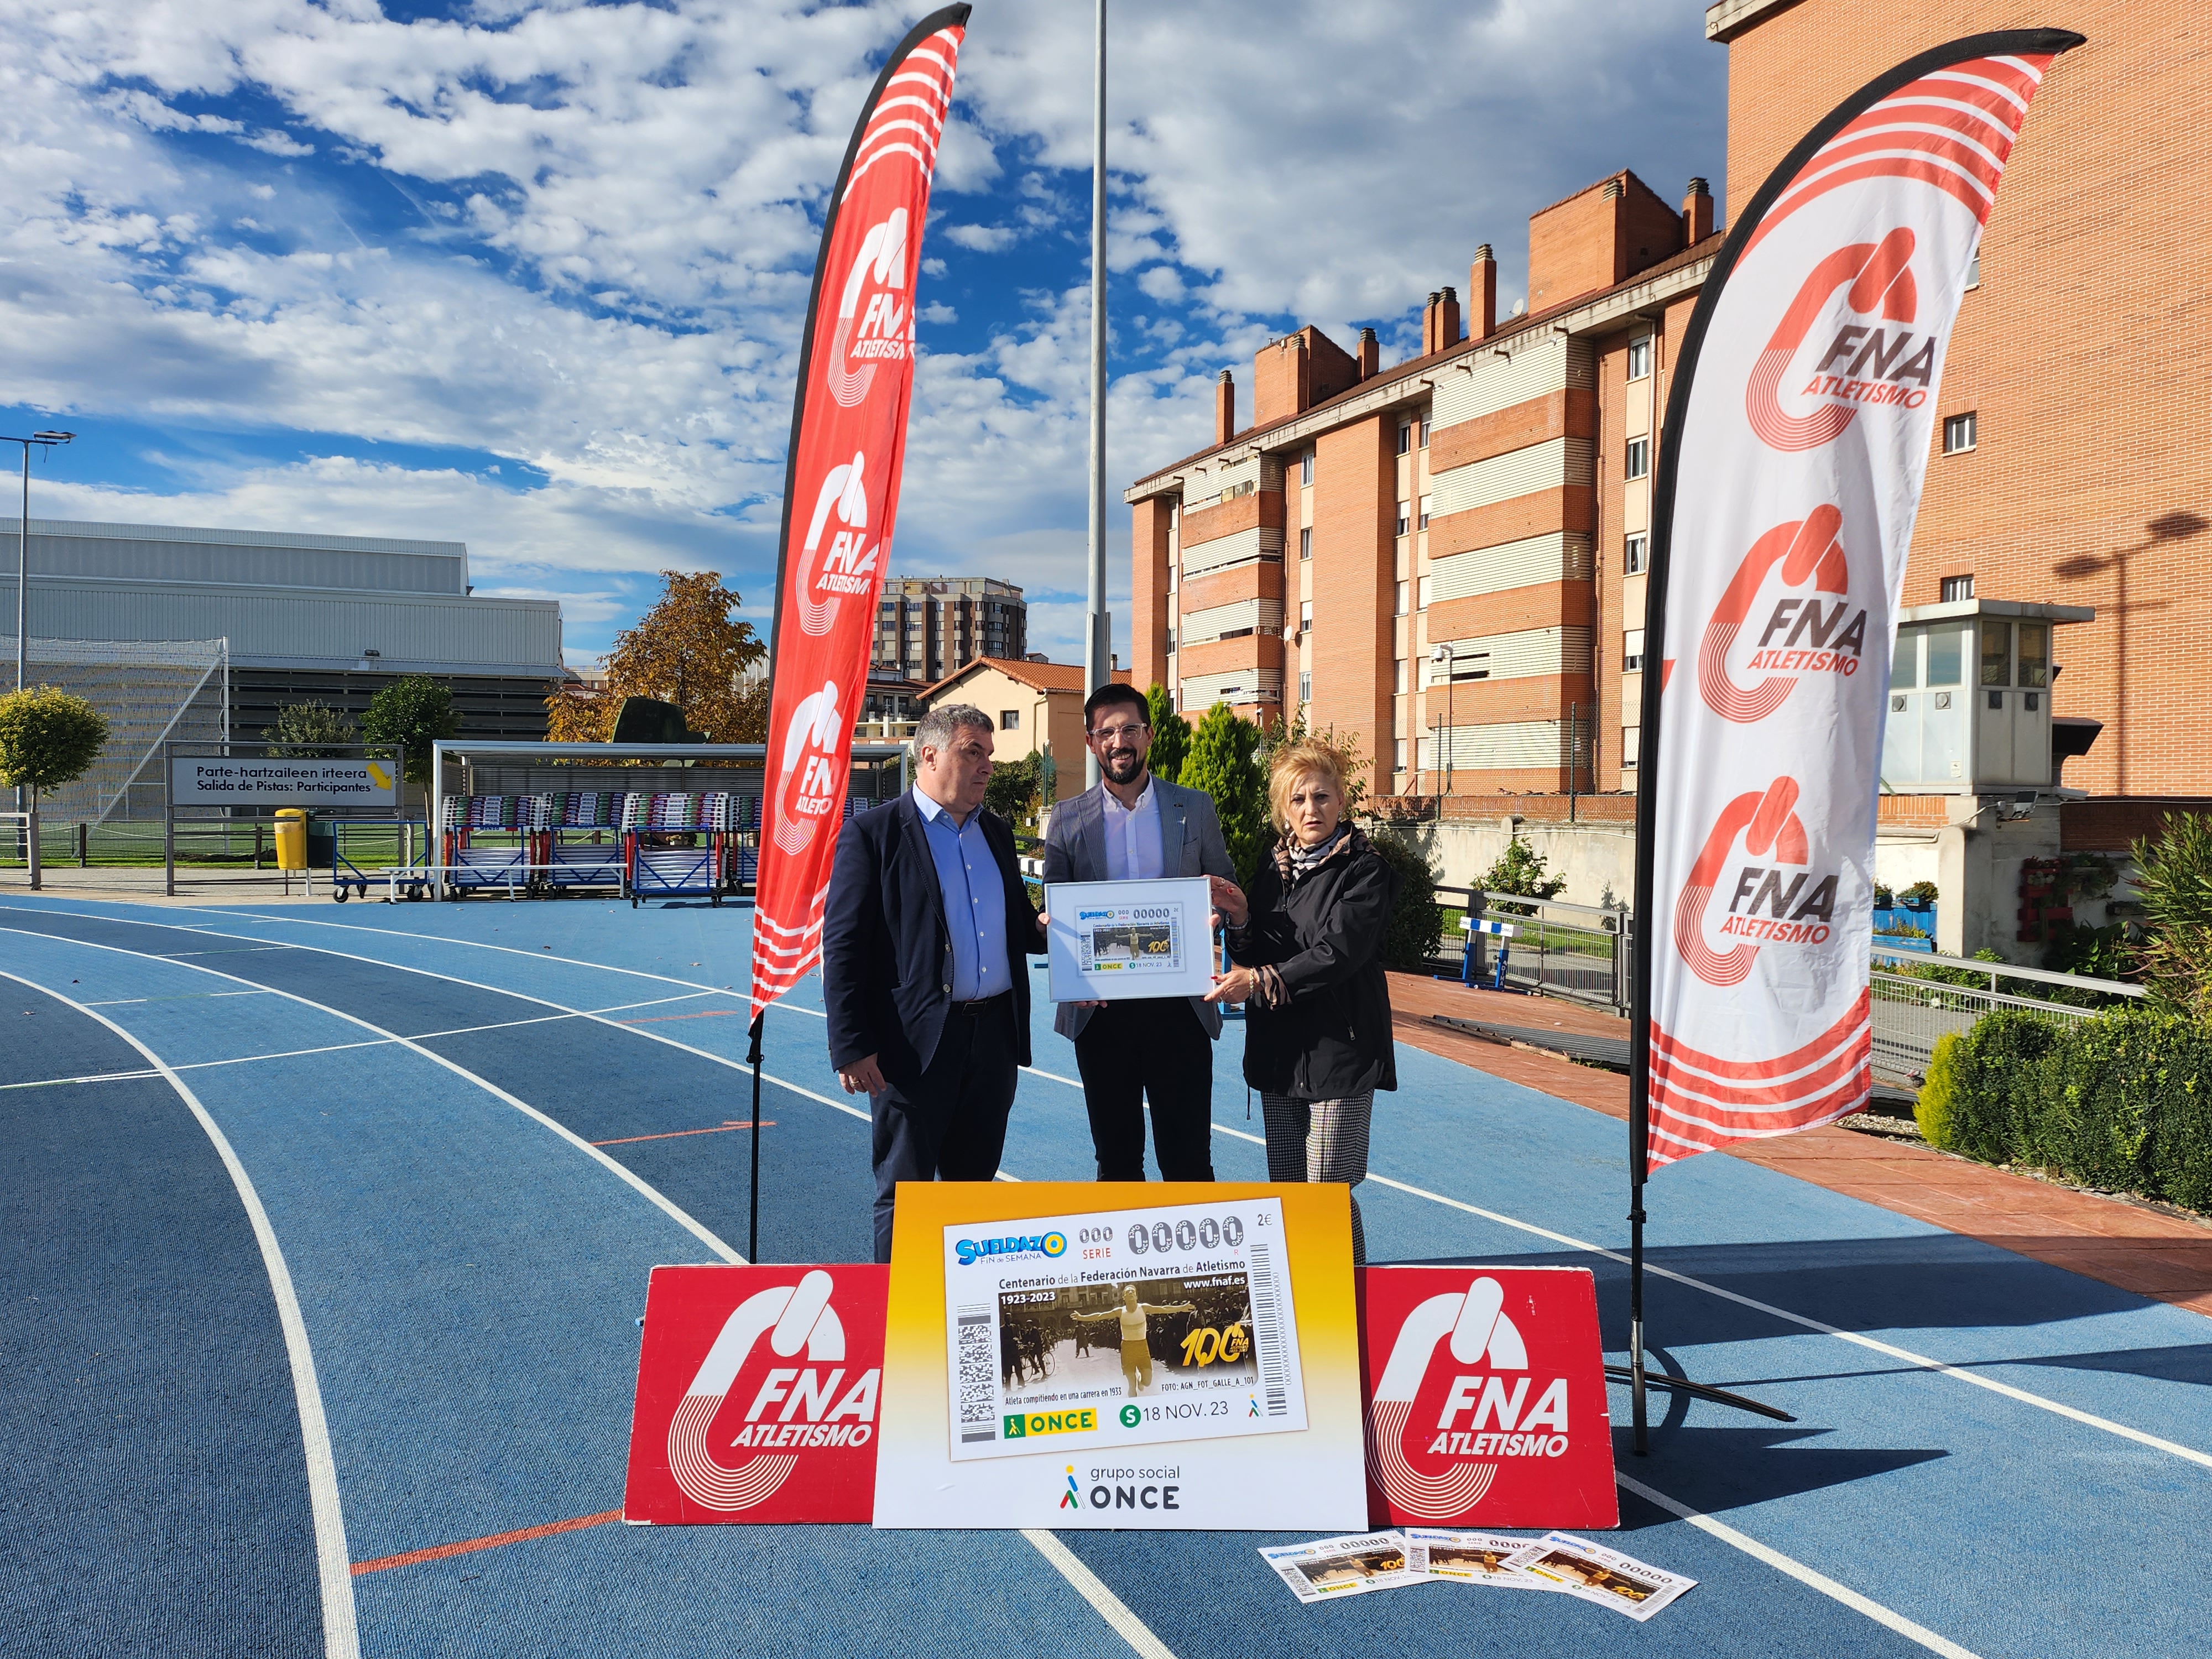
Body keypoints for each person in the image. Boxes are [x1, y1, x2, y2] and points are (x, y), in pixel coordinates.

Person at [822, 703, 1046, 1262]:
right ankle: (897, 1313)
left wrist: (1085, 926)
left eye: (989, 754)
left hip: (993, 1041)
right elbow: (844, 947)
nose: (987, 766)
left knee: (974, 1194)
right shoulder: (873, 834)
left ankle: (962, 1311)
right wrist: (850, 1045)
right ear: (929, 755)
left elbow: (1023, 928)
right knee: (906, 1194)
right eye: (973, 752)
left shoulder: (995, 831)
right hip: (914, 1047)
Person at [1204, 737, 1398, 1264]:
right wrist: (1242, 917)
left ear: (1341, 801)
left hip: (1342, 1053)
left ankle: (1349, 1292)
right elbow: (1257, 949)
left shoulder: (1366, 869)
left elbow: (1338, 953)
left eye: (1321, 796)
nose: (1311, 809)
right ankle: (1300, 1296)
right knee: (1290, 1192)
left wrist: (1256, 982)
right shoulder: (1273, 867)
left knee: (1327, 1191)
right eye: (1298, 799)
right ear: (1283, 809)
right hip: (1281, 1053)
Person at [1042, 682, 1240, 1182]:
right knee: (1116, 1163)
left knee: (1189, 1162)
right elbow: (1055, 907)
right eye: (1106, 732)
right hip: (1102, 1014)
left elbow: (1224, 886)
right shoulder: (1067, 819)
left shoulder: (1194, 808)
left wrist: (1220, 913)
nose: (1119, 742)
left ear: (1149, 735)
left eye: (1129, 729)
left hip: (1180, 1009)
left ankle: (1195, 1240)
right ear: (1091, 742)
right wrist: (1054, 933)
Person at [1071, 1285, 1196, 1396]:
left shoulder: (1144, 1308)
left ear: (1136, 1296)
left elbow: (1163, 1309)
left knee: (1147, 1382)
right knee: (1132, 1387)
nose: (1130, 1292)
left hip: (1142, 1346)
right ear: (1124, 1297)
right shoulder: (1120, 1311)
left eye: (1133, 1291)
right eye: (1127, 1291)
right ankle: (1134, 1399)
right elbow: (1100, 1316)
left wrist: (1182, 1308)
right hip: (1128, 1348)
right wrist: (1081, 1317)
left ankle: (1140, 1379)